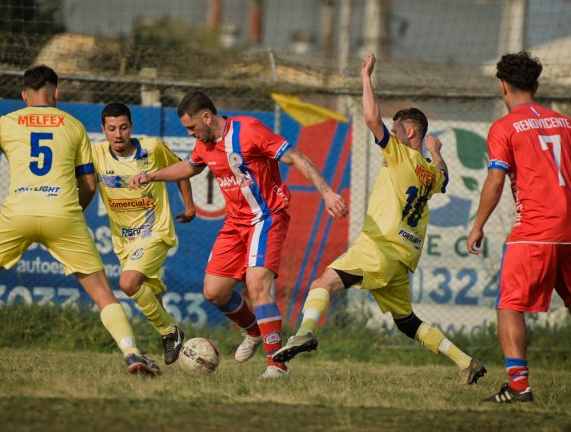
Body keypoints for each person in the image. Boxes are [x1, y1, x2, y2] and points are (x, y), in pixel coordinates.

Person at [0, 65, 160, 376]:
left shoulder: (7, 122)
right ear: (57, 94)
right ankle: (132, 353)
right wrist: (71, 212)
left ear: (24, 95)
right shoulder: (74, 126)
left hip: (18, 213)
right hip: (63, 213)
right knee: (101, 290)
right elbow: (89, 184)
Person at [273, 53, 486, 386]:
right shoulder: (430, 172)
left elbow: (372, 119)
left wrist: (366, 78)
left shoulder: (399, 152)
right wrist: (437, 150)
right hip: (402, 258)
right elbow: (444, 177)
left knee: (321, 284)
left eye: (397, 128)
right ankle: (466, 362)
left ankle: (303, 334)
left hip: (379, 246)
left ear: (409, 131)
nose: (392, 132)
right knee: (406, 322)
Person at [129, 90, 348, 378]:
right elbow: (190, 167)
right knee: (215, 292)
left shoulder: (249, 130)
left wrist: (327, 192)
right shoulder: (205, 144)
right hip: (235, 223)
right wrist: (152, 175)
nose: (191, 134)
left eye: (192, 127)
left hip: (268, 217)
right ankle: (254, 330)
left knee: (257, 284)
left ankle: (277, 365)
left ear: (207, 117)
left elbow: (295, 157)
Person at [467, 51, 571, 403]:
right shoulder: (566, 122)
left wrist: (478, 225)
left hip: (535, 232)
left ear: (503, 87)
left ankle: (518, 385)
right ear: (537, 85)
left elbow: (496, 181)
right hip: (570, 231)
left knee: (509, 305)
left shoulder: (505, 126)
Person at [93, 102, 196, 365]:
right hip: (123, 239)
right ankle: (189, 355)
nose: (118, 134)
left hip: (155, 231)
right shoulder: (95, 154)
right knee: (149, 293)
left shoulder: (153, 147)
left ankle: (169, 331)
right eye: (112, 129)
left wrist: (189, 206)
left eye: (124, 127)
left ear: (132, 127)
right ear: (103, 130)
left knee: (128, 283)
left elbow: (182, 170)